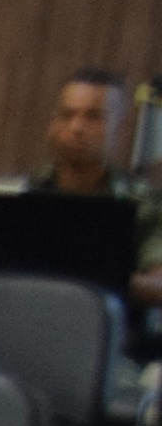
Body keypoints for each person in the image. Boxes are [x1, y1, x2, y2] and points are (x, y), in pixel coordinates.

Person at [33, 70, 162, 310]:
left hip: (109, 324)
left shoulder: (145, 204)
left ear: (121, 129)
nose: (76, 128)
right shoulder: (22, 194)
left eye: (93, 117)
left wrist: (96, 276)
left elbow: (159, 285)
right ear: (53, 124)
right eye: (67, 115)